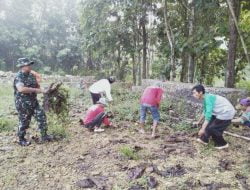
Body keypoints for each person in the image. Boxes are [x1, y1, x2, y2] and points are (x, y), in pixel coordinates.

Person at [14, 57, 53, 146]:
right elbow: (21, 89)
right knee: (24, 121)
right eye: (28, 65)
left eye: (30, 64)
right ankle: (21, 139)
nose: (30, 66)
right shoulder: (18, 77)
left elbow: (37, 85)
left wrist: (43, 89)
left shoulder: (31, 75)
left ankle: (44, 135)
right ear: (22, 66)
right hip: (23, 103)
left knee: (41, 116)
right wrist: (36, 90)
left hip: (33, 102)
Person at [192, 84, 236, 150]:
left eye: (194, 93)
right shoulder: (206, 98)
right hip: (219, 112)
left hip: (226, 113)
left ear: (200, 92)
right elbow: (205, 111)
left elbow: (208, 116)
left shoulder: (208, 98)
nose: (193, 95)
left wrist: (202, 129)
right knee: (208, 125)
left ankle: (223, 144)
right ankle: (204, 140)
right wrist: (198, 121)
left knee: (214, 128)